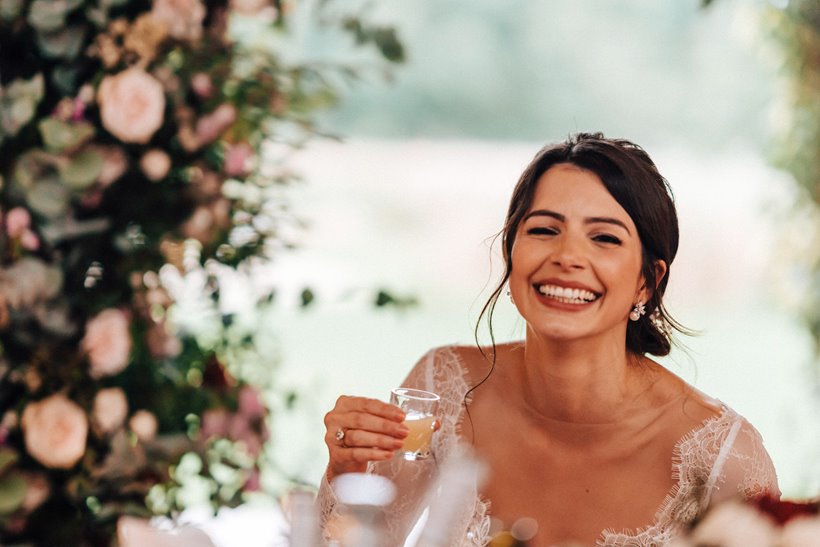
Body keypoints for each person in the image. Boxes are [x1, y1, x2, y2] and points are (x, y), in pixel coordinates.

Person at [318, 133, 780, 546]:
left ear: (647, 281)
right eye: (544, 230)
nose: (568, 256)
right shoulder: (444, 388)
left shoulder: (724, 458)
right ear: (511, 253)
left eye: (604, 238)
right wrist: (347, 471)